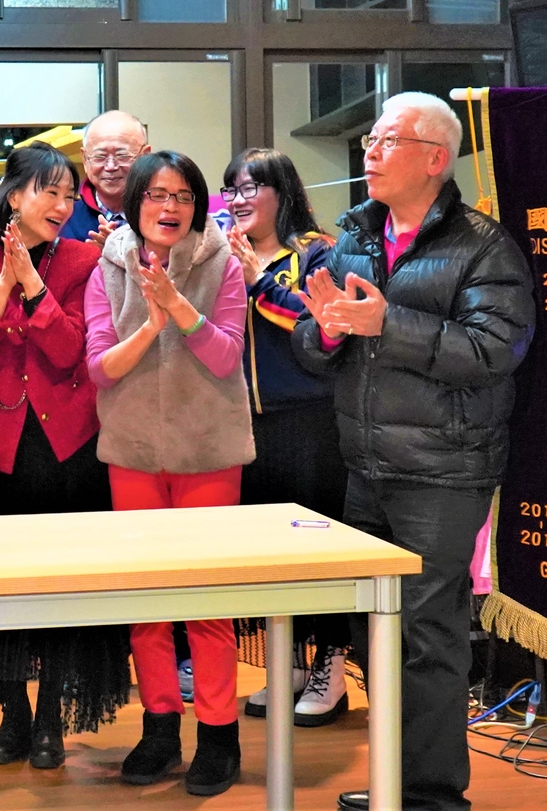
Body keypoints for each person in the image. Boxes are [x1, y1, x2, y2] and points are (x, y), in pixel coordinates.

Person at [292, 92, 535, 811]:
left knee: (428, 637)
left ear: (434, 158)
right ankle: (396, 782)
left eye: (386, 139)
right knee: (374, 630)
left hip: (443, 474)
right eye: (369, 138)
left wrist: (385, 323)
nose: (369, 151)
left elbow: (495, 351)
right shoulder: (355, 236)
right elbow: (315, 345)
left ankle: (430, 797)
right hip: (365, 466)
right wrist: (327, 330)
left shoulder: (483, 245)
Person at [0, 142, 128, 770]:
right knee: (0, 585)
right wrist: (2, 285)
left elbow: (70, 350)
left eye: (70, 194)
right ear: (14, 195)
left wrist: (35, 286)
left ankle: (49, 720)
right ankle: (13, 712)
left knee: (62, 585)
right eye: (51, 191)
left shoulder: (84, 260)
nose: (63, 204)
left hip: (68, 445)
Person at [84, 149, 253, 796]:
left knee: (207, 601)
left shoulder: (223, 263)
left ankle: (218, 734)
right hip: (132, 451)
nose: (170, 206)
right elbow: (100, 368)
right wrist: (149, 324)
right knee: (146, 599)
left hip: (208, 451)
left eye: (183, 195)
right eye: (156, 194)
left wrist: (179, 309)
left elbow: (226, 357)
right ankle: (159, 727)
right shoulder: (108, 265)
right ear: (135, 202)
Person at [222, 148, 349, 725]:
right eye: (231, 189)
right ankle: (291, 663)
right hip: (247, 425)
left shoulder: (317, 251)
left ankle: (333, 667)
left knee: (319, 548)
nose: (238, 199)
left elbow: (318, 322)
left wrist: (257, 282)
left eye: (251, 187)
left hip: (311, 423)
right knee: (273, 553)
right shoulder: (224, 252)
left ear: (284, 192)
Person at [59, 110, 150, 243]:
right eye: (100, 156)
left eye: (122, 155)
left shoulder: (165, 212)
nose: (110, 166)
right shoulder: (64, 215)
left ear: (145, 155)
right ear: (85, 159)